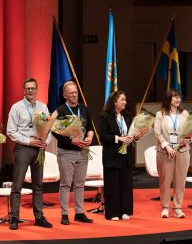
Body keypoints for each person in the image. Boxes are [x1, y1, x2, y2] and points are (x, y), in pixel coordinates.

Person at [7, 78, 52, 230]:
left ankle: (39, 216)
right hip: (23, 149)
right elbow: (11, 131)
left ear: (37, 89)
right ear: (24, 91)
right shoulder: (16, 107)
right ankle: (14, 217)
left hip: (39, 148)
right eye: (28, 88)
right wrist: (28, 141)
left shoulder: (43, 107)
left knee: (38, 185)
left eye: (33, 88)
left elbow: (49, 128)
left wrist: (45, 141)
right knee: (17, 184)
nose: (31, 91)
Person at [52, 81, 94, 225]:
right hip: (66, 152)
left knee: (80, 184)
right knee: (65, 184)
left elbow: (90, 127)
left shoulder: (84, 109)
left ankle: (79, 212)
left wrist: (90, 137)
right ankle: (64, 214)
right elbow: (55, 132)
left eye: (75, 92)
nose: (74, 95)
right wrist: (71, 139)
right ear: (65, 95)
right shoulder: (60, 111)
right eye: (71, 93)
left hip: (83, 151)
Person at [99, 90, 140, 221]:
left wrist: (136, 137)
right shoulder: (105, 117)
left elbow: (131, 134)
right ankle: (112, 213)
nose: (125, 102)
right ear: (114, 102)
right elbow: (103, 136)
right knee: (112, 185)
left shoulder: (127, 116)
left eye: (125, 100)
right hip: (112, 155)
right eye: (122, 100)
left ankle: (125, 211)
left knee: (126, 184)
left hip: (126, 156)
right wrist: (119, 138)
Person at [154, 89, 190, 219]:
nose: (178, 100)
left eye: (179, 97)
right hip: (165, 152)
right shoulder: (160, 114)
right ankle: (165, 207)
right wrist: (167, 146)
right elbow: (158, 133)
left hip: (182, 151)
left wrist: (188, 139)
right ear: (169, 99)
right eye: (176, 97)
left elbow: (190, 131)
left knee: (180, 181)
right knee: (165, 180)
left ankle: (178, 208)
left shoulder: (184, 114)